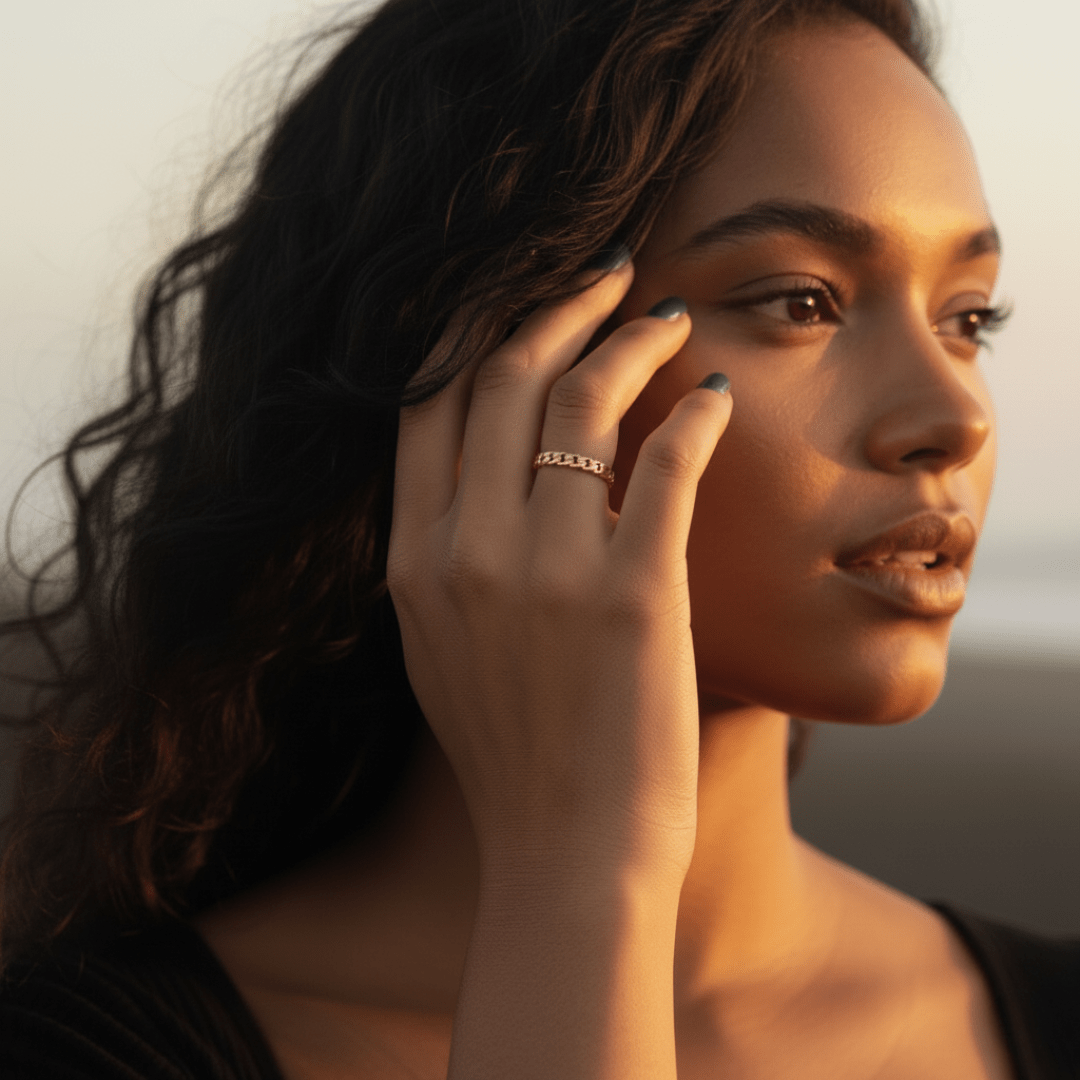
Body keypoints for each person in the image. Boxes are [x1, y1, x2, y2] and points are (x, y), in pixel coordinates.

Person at [0, 0, 1076, 1077]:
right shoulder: (92, 1052)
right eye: (802, 301)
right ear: (487, 373)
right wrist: (574, 885)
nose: (957, 417)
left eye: (969, 317)